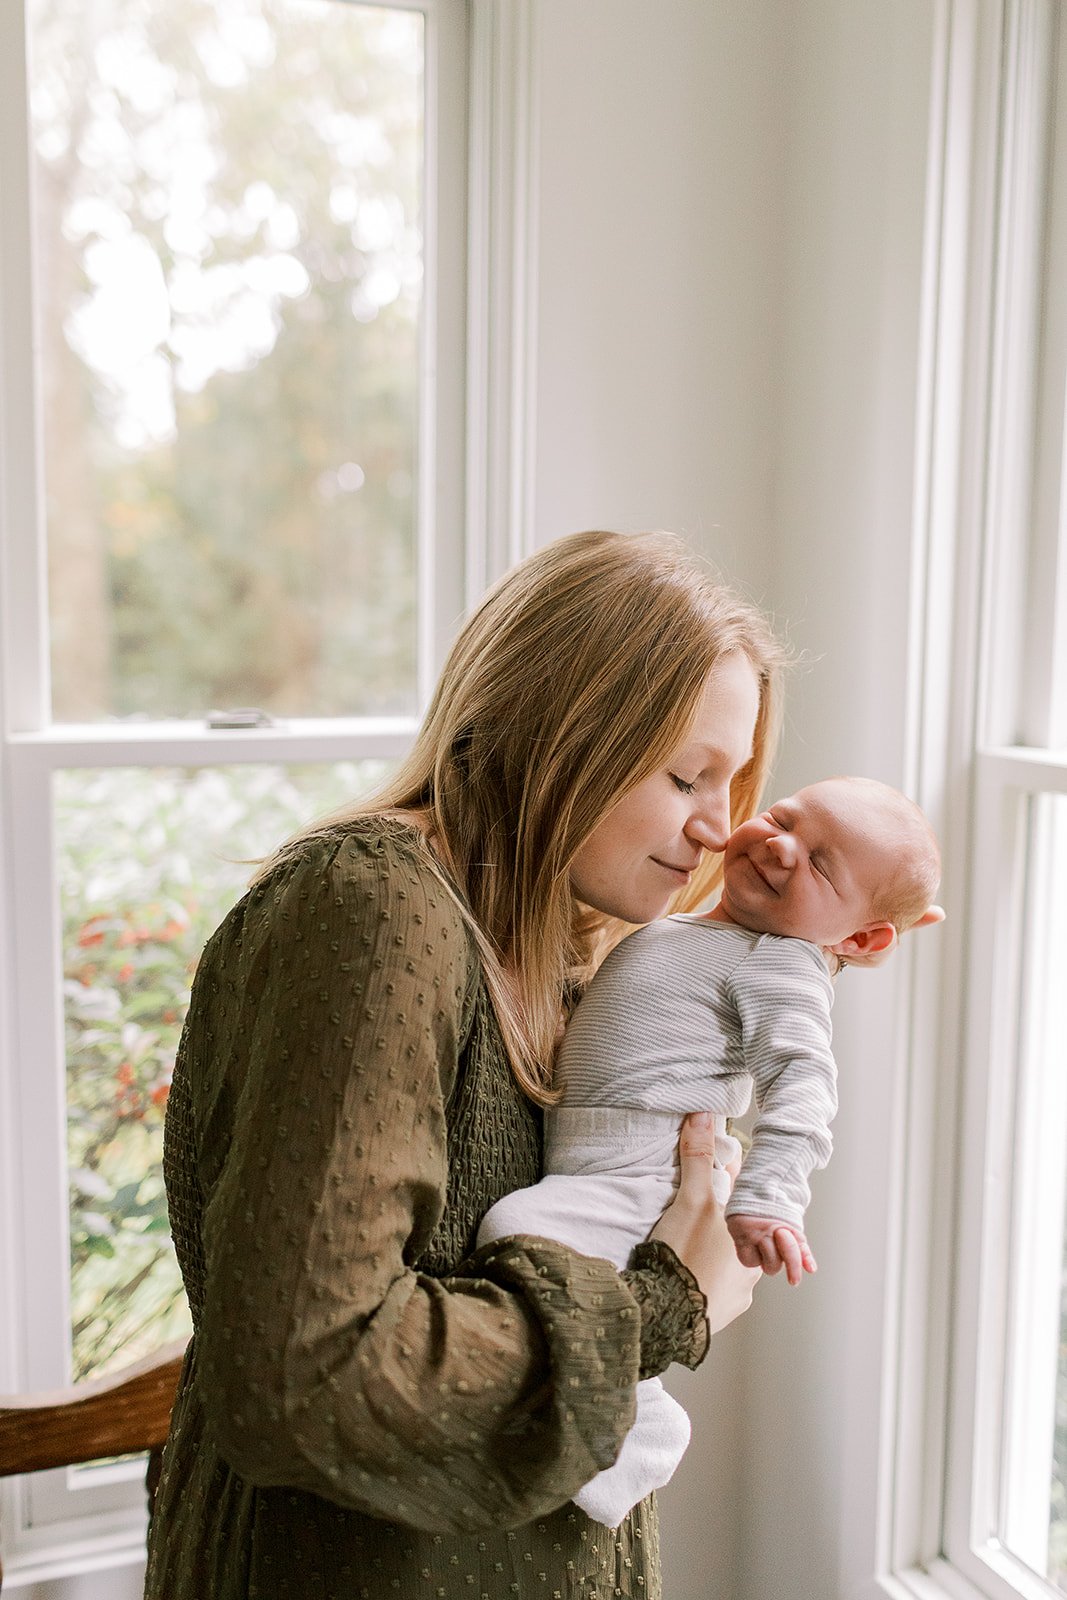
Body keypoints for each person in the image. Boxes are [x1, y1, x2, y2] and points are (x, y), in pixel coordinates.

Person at [141, 529, 926, 1600]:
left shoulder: (568, 941)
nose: (718, 829)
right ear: (560, 732)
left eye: (733, 783)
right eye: (686, 775)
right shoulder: (374, 911)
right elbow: (304, 1376)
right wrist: (666, 1300)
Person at [478, 774, 942, 1527]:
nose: (782, 848)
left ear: (859, 940)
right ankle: (614, 1414)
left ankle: (641, 1432)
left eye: (822, 864)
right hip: (601, 1153)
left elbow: (804, 1086)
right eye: (783, 818)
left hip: (641, 1169)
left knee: (514, 1232)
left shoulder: (781, 960)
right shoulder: (699, 929)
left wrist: (769, 1198)